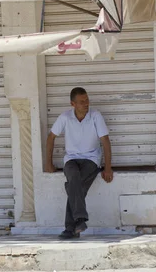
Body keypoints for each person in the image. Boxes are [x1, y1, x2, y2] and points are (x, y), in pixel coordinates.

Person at [46, 87, 114, 239]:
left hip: (91, 160)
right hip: (71, 159)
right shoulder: (65, 117)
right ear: (73, 104)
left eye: (87, 100)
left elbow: (106, 142)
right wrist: (48, 163)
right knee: (75, 178)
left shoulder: (95, 116)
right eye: (82, 101)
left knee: (74, 186)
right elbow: (51, 137)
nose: (86, 104)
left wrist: (108, 168)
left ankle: (70, 228)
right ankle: (80, 219)